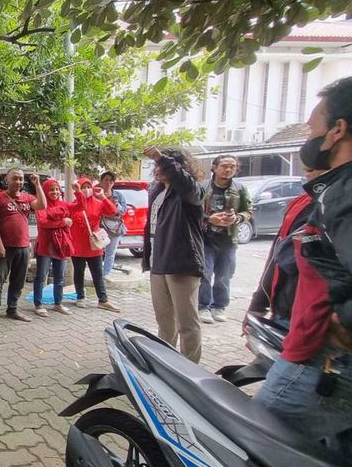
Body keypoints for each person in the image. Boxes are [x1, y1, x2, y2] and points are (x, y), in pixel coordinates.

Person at [255, 74, 352, 467]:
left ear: (338, 131)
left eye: (313, 128)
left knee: (252, 445)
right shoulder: (347, 186)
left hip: (335, 364)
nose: (308, 137)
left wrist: (350, 319)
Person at [142, 146, 205, 364]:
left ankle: (189, 369)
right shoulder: (157, 192)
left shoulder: (189, 192)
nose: (158, 169)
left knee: (187, 323)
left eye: (163, 165)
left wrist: (162, 156)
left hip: (182, 263)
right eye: (156, 165)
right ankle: (165, 363)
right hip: (158, 263)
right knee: (164, 320)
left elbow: (187, 185)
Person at [246, 166, 325, 328]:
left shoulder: (347, 206)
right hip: (286, 310)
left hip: (321, 321)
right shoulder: (300, 203)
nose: (307, 168)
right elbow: (276, 257)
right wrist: (258, 304)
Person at [0, 170, 46, 327]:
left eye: (21, 179)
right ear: (7, 180)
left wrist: (37, 185)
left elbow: (42, 205)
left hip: (23, 247)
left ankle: (12, 308)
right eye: (15, 179)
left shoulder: (26, 197)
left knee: (18, 281)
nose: (18, 182)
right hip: (5, 247)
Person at [197, 154, 252, 324]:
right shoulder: (203, 187)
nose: (228, 170)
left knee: (224, 274)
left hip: (228, 240)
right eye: (224, 166)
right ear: (214, 167)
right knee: (204, 273)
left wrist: (237, 219)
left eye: (232, 166)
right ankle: (202, 306)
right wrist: (208, 219)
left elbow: (247, 211)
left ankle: (219, 306)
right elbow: (193, 211)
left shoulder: (240, 188)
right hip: (206, 238)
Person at [69, 177, 120, 312]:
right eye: (83, 187)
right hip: (78, 245)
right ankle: (80, 297)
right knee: (78, 272)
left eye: (88, 186)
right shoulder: (74, 205)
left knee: (97, 273)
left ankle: (103, 300)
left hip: (94, 245)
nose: (86, 189)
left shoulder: (98, 203)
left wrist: (103, 197)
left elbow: (113, 211)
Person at [33, 179, 83, 316]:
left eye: (56, 189)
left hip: (61, 245)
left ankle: (58, 304)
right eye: (51, 189)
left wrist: (78, 192)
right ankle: (38, 304)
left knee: (59, 277)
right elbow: (43, 223)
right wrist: (63, 221)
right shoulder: (41, 204)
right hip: (45, 245)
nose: (54, 192)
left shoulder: (63, 204)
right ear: (45, 191)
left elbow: (80, 206)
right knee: (41, 276)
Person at [98, 171, 127, 277]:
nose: (108, 183)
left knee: (110, 252)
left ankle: (105, 274)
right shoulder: (97, 194)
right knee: (98, 250)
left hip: (114, 226)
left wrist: (117, 205)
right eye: (106, 180)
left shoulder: (118, 195)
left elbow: (123, 211)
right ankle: (97, 273)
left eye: (111, 181)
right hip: (99, 226)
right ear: (101, 181)